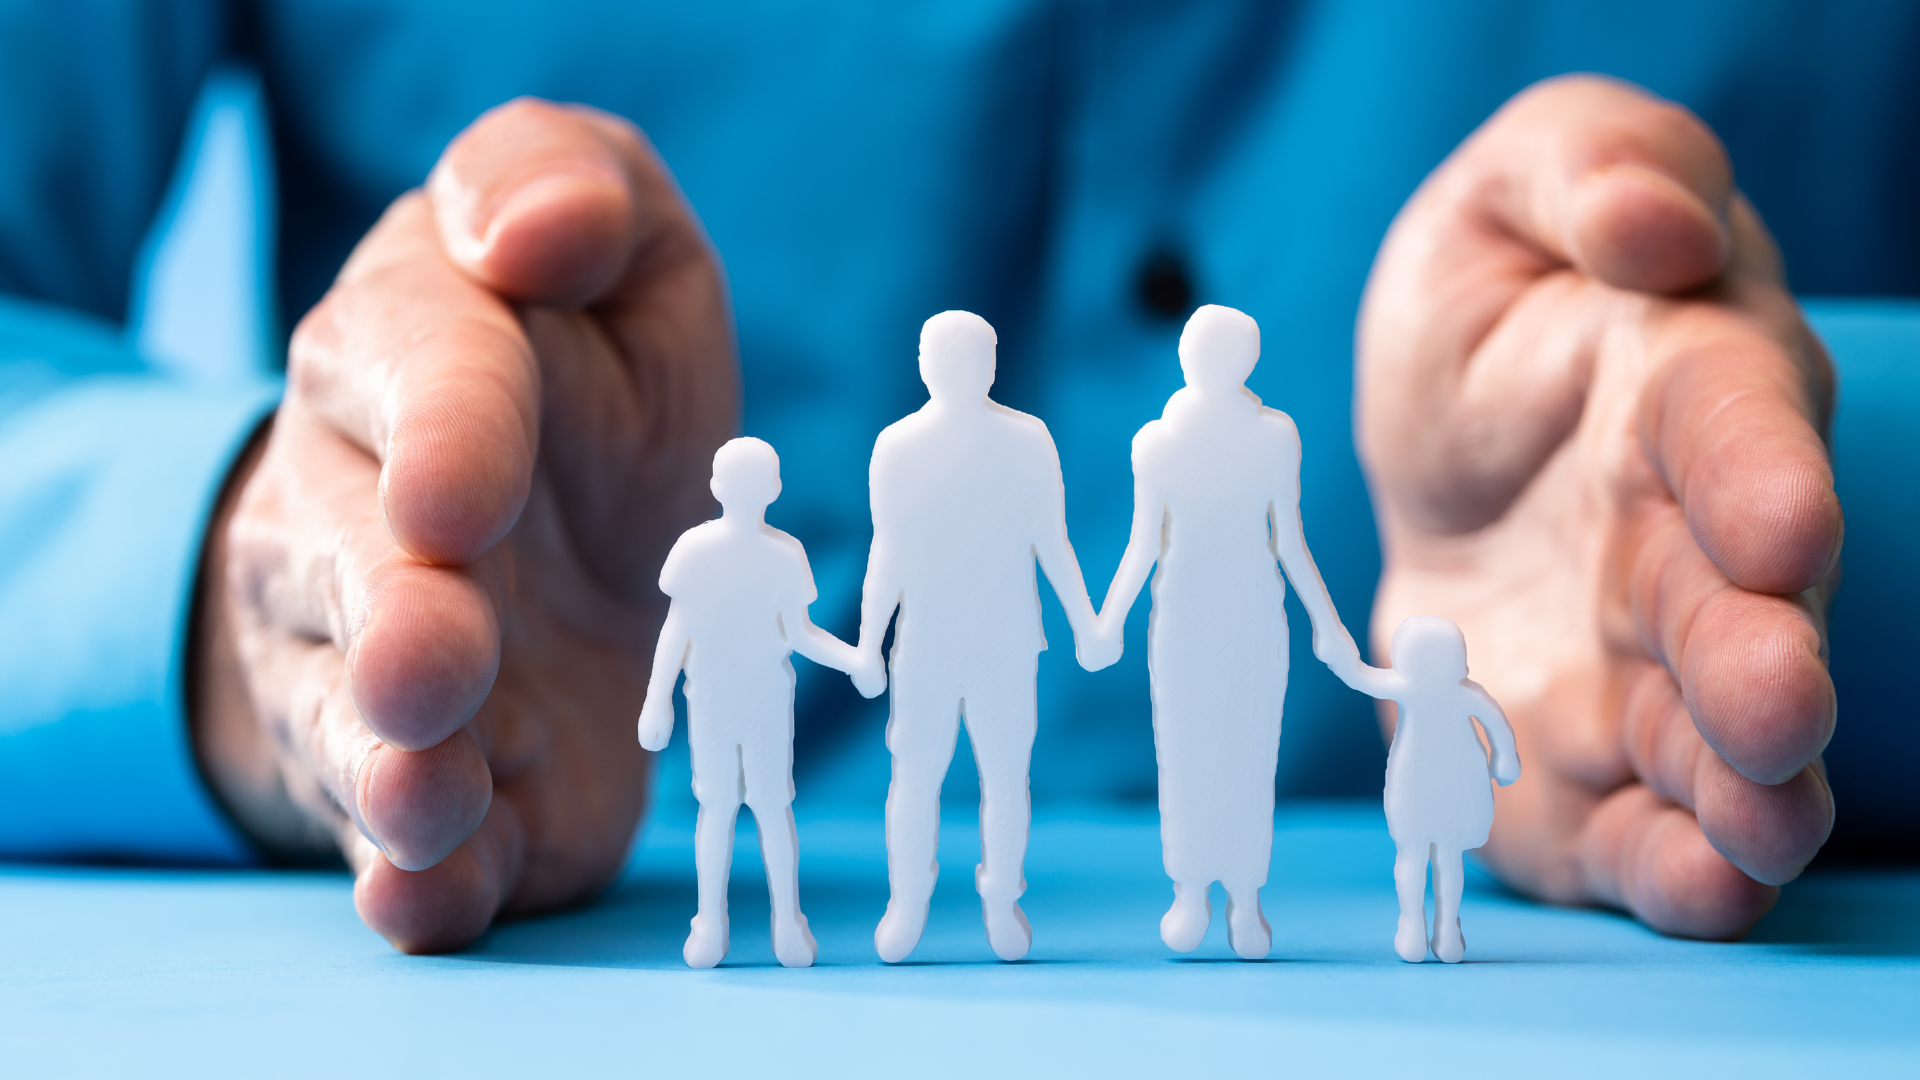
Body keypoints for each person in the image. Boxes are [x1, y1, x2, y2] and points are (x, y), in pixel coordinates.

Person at [2, 2, 1908, 955]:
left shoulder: (1144, 446)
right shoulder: (966, 458)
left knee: (1028, 776)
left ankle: (1104, 897)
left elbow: (1156, 555)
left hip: (1612, 867)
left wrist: (1805, 518)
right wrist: (264, 569)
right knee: (928, 787)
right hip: (595, 830)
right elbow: (914, 579)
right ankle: (926, 903)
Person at [1096, 304, 1356, 960]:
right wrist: (1109, 621)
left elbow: (1289, 542)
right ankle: (1193, 891)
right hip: (1186, 616)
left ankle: (1242, 899)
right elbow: (1143, 545)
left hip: (1247, 616)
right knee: (1188, 750)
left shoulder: (1274, 438)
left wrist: (1329, 626)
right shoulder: (1158, 444)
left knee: (1243, 749)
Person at [854, 311, 1113, 963]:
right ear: (923, 364)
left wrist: (1085, 622)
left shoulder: (1028, 442)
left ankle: (1002, 901)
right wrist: (867, 641)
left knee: (1004, 777)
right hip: (928, 642)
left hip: (1003, 640)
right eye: (946, 356)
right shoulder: (898, 448)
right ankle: (907, 902)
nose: (960, 368)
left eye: (974, 356)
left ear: (994, 364)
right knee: (916, 776)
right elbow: (887, 551)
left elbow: (1052, 542)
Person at [637, 436, 879, 968]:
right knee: (721, 810)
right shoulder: (695, 552)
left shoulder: (784, 555)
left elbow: (801, 634)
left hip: (765, 702)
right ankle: (710, 925)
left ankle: (788, 922)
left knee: (770, 810)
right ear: (718, 487)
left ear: (773, 489)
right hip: (715, 701)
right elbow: (676, 632)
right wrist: (658, 700)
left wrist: (856, 660)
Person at [1328, 617, 1520, 964]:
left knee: (1437, 856)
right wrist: (1338, 654)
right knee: (1422, 856)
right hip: (1418, 783)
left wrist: (1505, 758)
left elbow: (1497, 728)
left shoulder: (1459, 695)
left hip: (1449, 783)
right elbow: (1359, 676)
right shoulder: (1413, 689)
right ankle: (1414, 924)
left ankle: (1444, 928)